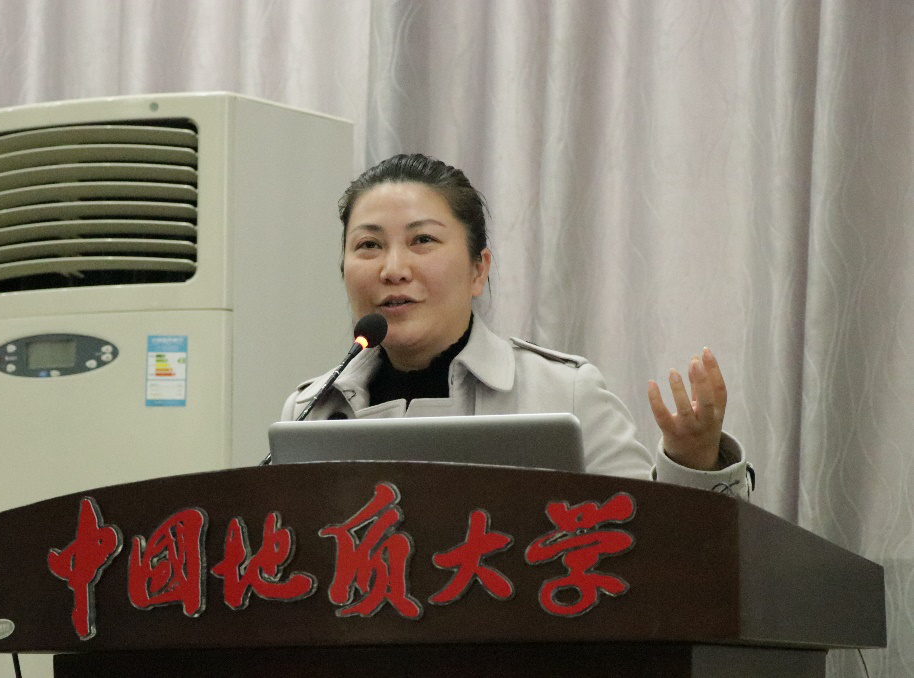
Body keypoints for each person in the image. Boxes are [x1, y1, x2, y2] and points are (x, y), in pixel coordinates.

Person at [282, 154, 752, 499]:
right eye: (368, 246)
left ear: (478, 270)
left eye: (422, 240)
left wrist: (695, 463)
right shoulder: (310, 411)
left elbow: (652, 544)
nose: (393, 269)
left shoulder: (566, 393)